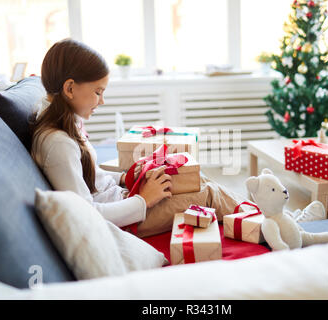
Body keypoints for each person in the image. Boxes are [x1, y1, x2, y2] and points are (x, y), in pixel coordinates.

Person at [30, 38, 249, 238]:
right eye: (98, 92)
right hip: (125, 220)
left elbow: (93, 179)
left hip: (123, 199)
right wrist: (144, 199)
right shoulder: (58, 143)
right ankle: (262, 220)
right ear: (69, 88)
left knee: (195, 180)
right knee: (208, 194)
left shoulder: (64, 124)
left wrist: (127, 177)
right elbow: (86, 214)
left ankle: (260, 213)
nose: (102, 101)